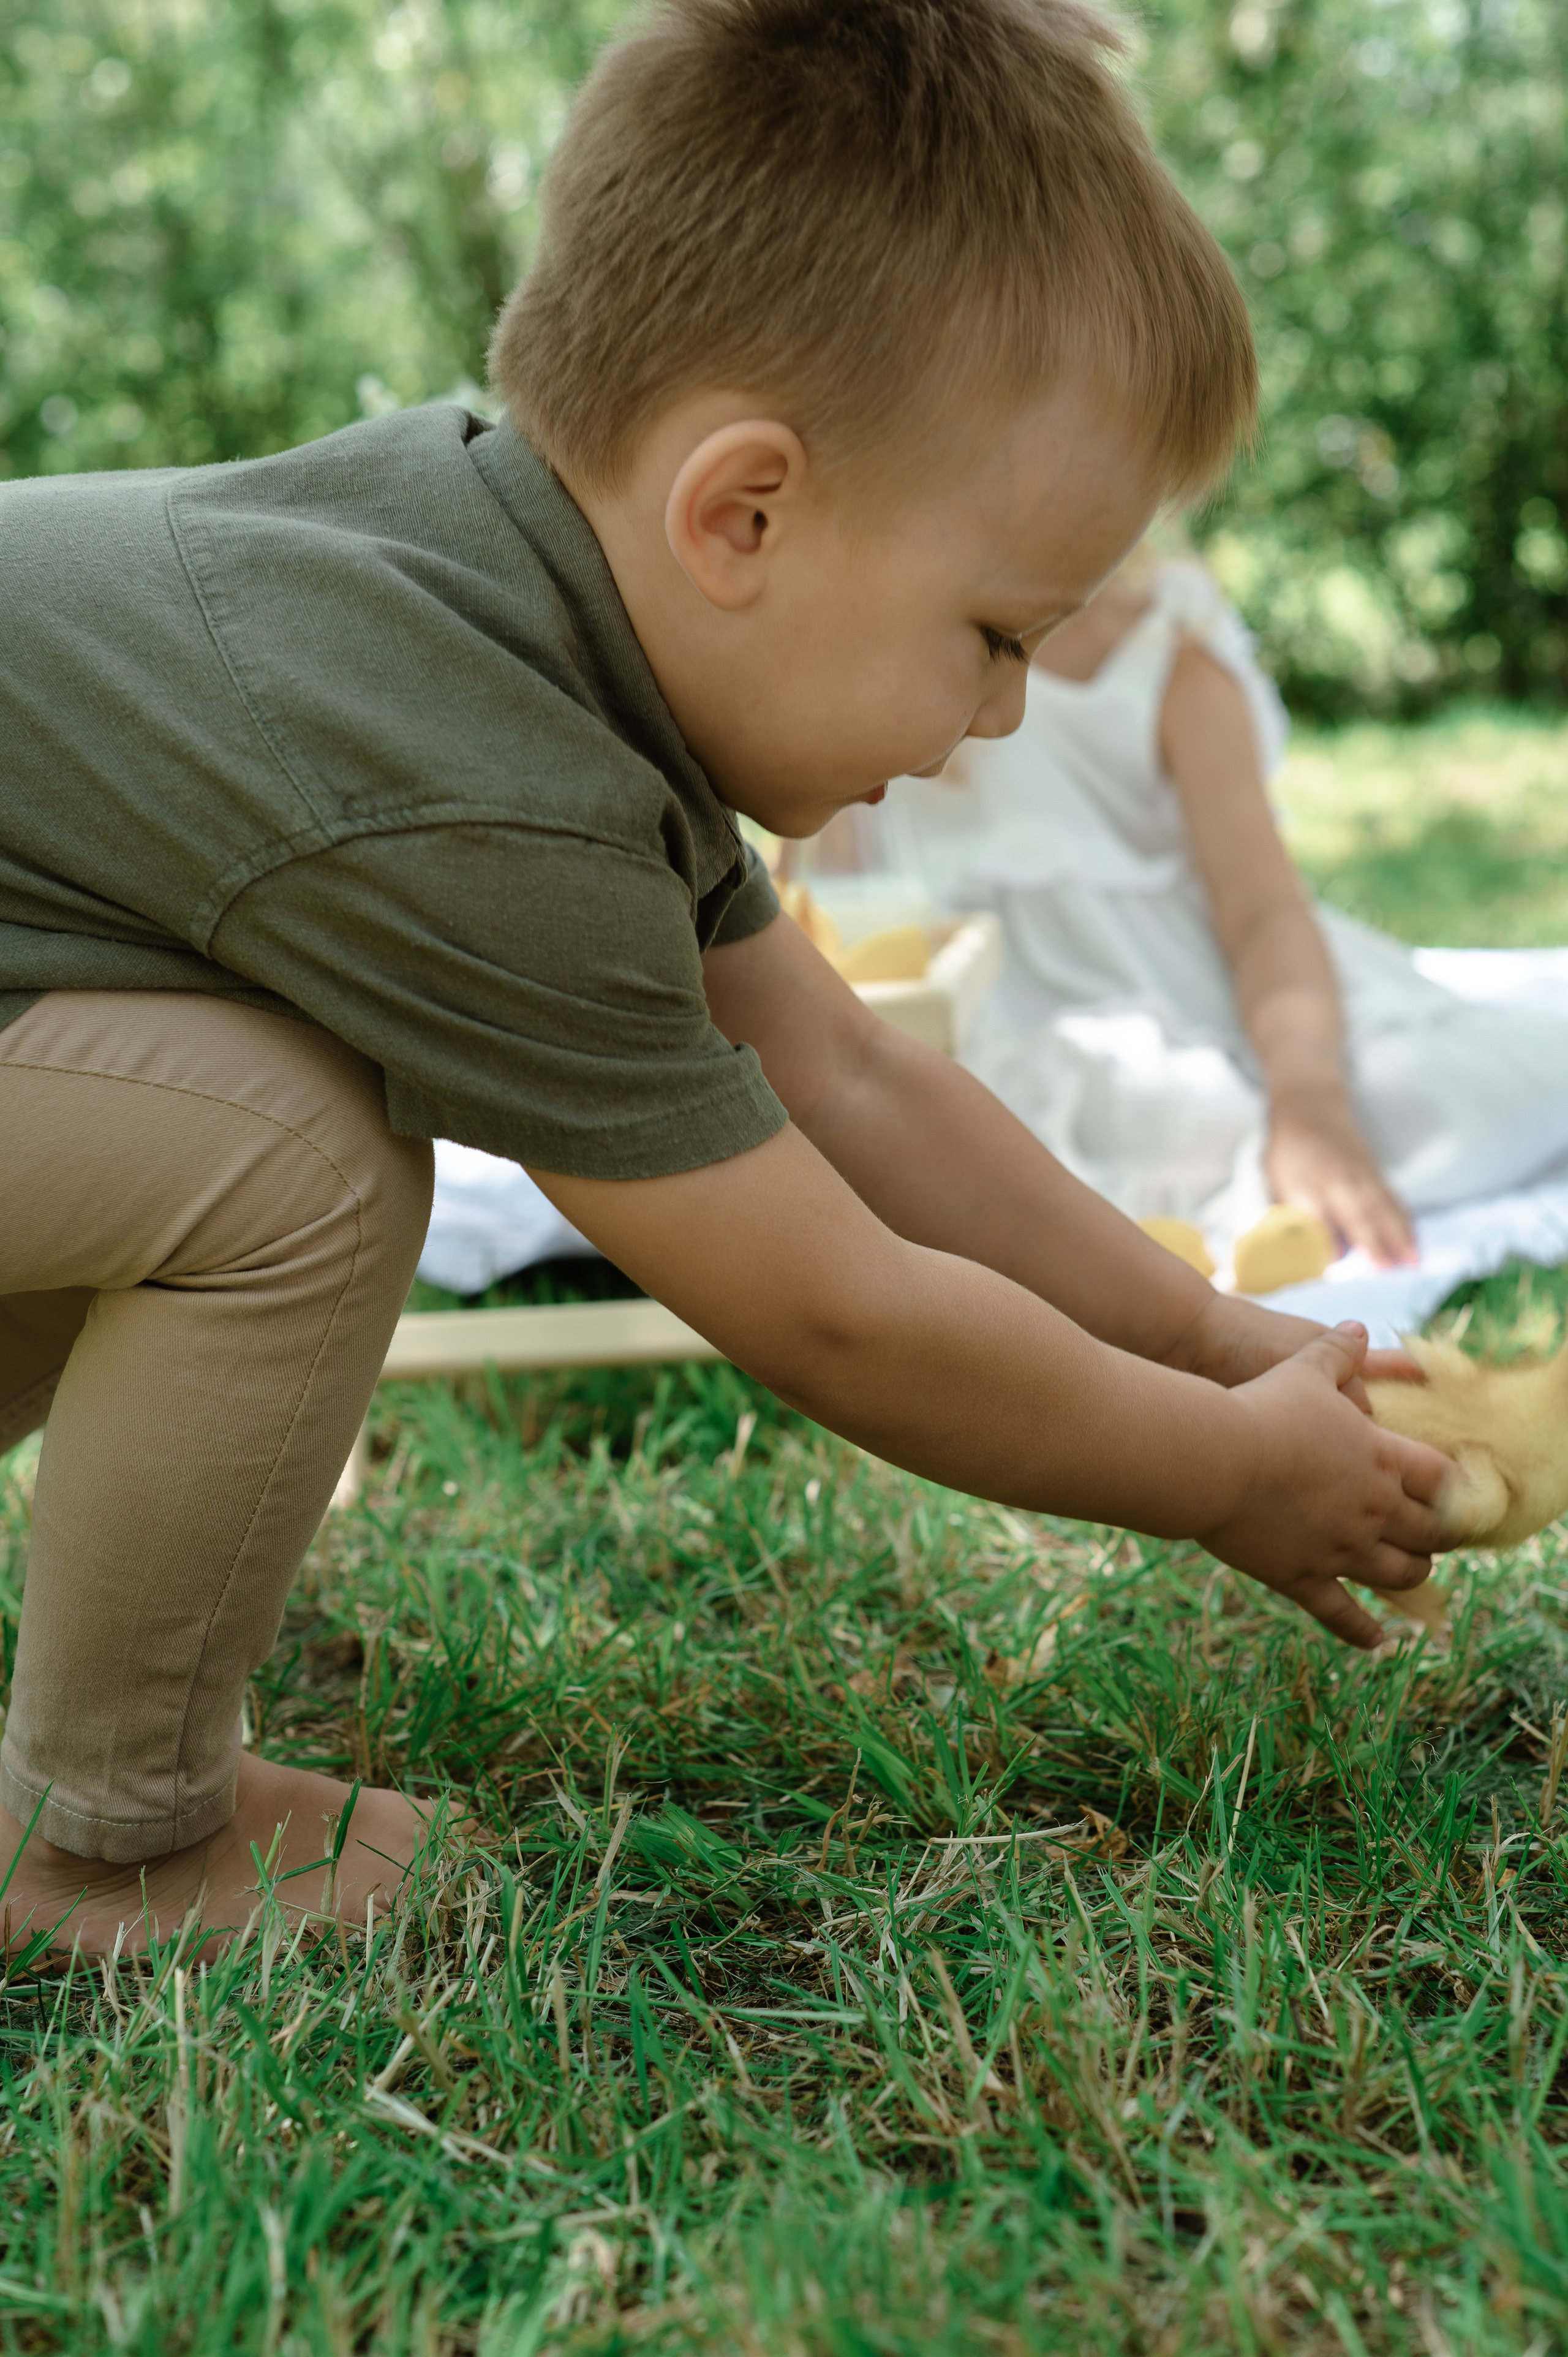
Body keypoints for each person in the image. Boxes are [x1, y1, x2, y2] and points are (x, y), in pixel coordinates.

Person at [0, 0, 1449, 1958]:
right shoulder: (479, 785)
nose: (1004, 714)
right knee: (281, 1152)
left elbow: (853, 1086)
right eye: (994, 635)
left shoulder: (517, 613)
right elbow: (830, 1310)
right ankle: (109, 1840)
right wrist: (1217, 1477)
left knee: (172, 1118)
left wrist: (1213, 1344)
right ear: (742, 513)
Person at [873, 556, 1568, 1266]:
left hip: (1224, 998)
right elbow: (830, 917)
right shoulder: (864, 658)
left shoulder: (1160, 652)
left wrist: (1310, 1104)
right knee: (1041, 1136)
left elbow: (1265, 912)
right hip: (1004, 1028)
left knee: (1450, 1098)